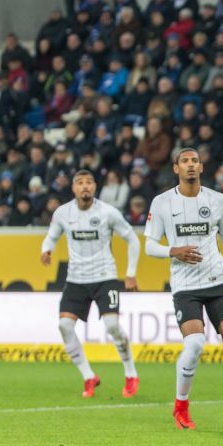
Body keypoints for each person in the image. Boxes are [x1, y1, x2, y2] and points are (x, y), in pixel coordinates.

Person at [144, 148, 223, 431]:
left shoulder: (217, 200)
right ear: (176, 169)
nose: (190, 165)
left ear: (201, 166)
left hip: (217, 281)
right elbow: (149, 245)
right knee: (194, 344)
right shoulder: (162, 203)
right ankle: (181, 405)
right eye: (185, 161)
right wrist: (174, 250)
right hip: (186, 286)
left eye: (194, 161)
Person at [40, 169, 140, 398]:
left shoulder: (108, 212)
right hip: (76, 279)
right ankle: (89, 377)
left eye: (89, 182)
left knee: (112, 326)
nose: (84, 186)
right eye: (80, 183)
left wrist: (131, 272)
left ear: (95, 187)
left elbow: (132, 239)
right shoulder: (63, 213)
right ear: (73, 188)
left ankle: (131, 373)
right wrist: (46, 250)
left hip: (105, 277)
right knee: (64, 326)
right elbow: (52, 236)